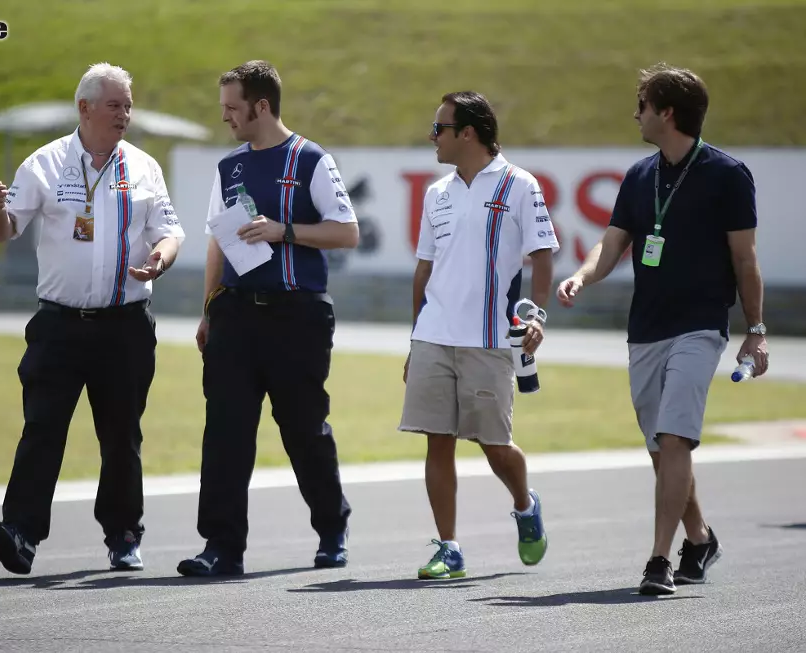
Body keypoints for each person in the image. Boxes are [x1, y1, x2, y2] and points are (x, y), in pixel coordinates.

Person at [556, 63, 768, 596]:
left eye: (642, 105)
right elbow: (613, 242)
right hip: (645, 328)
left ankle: (658, 559)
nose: (636, 114)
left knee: (674, 437)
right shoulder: (638, 176)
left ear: (666, 113)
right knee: (662, 448)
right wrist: (582, 276)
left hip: (700, 327)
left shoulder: (728, 174)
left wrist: (756, 329)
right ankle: (699, 537)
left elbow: (745, 260)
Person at [0, 62, 185, 575]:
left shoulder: (143, 168)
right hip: (60, 326)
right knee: (43, 427)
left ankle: (123, 535)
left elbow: (171, 231)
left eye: (128, 105)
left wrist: (160, 258)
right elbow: (5, 232)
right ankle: (21, 534)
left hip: (125, 325)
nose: (124, 114)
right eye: (114, 105)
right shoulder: (44, 164)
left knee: (121, 434)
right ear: (85, 108)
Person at [176, 60, 359, 577]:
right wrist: (209, 307)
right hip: (234, 314)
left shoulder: (310, 159)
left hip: (297, 315)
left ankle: (331, 527)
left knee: (303, 429)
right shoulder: (228, 167)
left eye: (233, 108)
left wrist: (286, 231)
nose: (226, 117)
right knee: (226, 431)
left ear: (261, 106)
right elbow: (218, 239)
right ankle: (221, 547)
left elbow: (346, 233)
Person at [398, 91, 558, 580]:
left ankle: (525, 505)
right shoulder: (436, 193)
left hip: (489, 339)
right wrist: (414, 338)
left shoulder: (519, 184)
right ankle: (449, 547)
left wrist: (537, 317)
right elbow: (425, 267)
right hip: (433, 335)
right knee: (437, 440)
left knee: (494, 446)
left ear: (467, 132)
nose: (433, 137)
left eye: (439, 128)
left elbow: (544, 255)